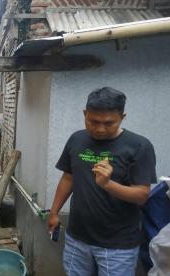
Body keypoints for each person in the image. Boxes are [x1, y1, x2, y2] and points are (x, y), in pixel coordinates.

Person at [47, 87, 157, 276]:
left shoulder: (139, 146)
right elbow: (68, 177)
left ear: (123, 117)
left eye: (109, 123)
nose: (99, 129)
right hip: (77, 239)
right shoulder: (77, 139)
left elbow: (142, 195)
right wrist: (54, 212)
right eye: (93, 121)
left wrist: (108, 184)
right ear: (85, 113)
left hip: (117, 247)